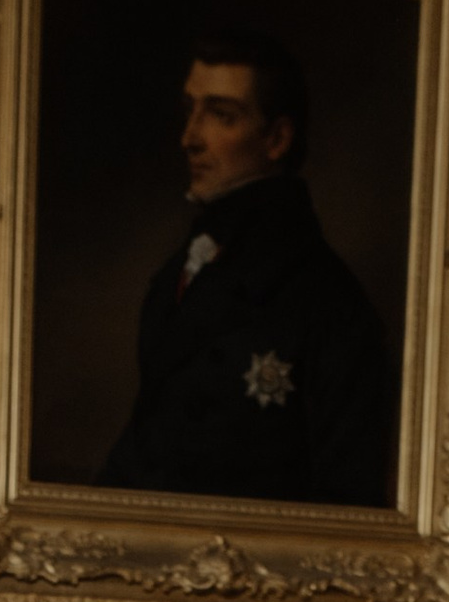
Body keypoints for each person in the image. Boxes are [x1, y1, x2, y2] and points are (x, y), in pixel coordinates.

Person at [99, 30, 395, 507]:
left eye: (221, 115)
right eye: (190, 110)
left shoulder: (329, 303)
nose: (189, 139)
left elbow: (347, 504)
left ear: (276, 139)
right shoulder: (184, 269)